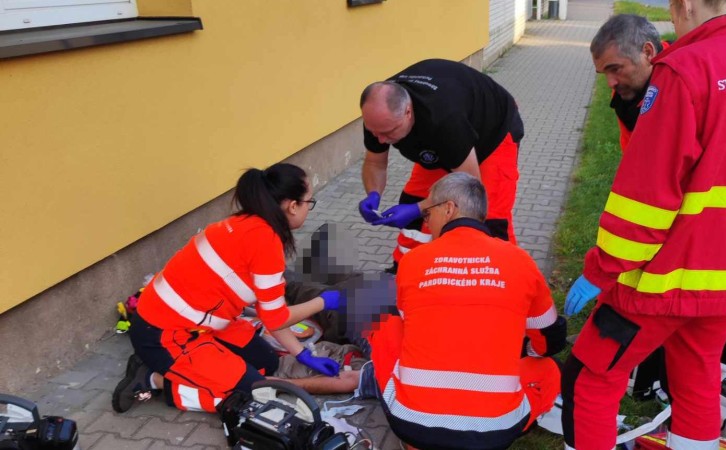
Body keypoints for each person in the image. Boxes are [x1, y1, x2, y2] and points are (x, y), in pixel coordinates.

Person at [560, 0, 726, 447]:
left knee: (591, 378)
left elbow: (646, 197)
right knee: (697, 383)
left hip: (661, 282)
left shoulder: (683, 69)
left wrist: (600, 269)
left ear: (685, 5)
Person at [112, 163, 348, 413]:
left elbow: (269, 310)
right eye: (309, 203)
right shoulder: (265, 243)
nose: (308, 209)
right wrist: (323, 301)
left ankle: (200, 366)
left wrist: (303, 354)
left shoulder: (247, 223)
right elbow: (276, 316)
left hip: (191, 323)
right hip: (164, 335)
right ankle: (150, 379)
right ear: (292, 206)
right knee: (249, 394)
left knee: (266, 361)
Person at [367, 172, 566, 450]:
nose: (426, 223)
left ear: (448, 209)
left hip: (413, 423)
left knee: (384, 322)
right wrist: (524, 352)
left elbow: (411, 325)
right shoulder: (520, 260)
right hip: (494, 429)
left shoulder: (413, 262)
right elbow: (548, 338)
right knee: (547, 369)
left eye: (428, 214)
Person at [357, 59, 524, 272]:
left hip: (493, 133)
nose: (380, 139)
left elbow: (468, 186)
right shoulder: (379, 116)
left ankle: (503, 277)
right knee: (416, 198)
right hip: (443, 141)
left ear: (408, 112)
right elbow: (375, 162)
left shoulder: (444, 120)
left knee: (487, 215)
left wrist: (417, 210)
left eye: (388, 133)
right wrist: (373, 194)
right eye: (375, 133)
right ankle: (409, 270)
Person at [591, 14, 667, 153]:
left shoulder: (682, 84)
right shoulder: (625, 91)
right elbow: (631, 151)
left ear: (648, 52)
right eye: (604, 73)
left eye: (615, 69)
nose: (610, 83)